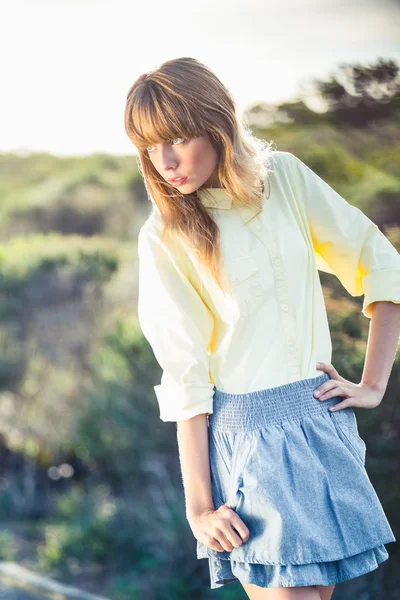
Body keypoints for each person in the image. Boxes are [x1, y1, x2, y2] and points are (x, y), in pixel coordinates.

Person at [124, 56, 400, 599]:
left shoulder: (286, 179)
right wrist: (200, 508)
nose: (166, 161)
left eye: (177, 137)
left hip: (321, 422)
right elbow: (186, 379)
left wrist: (373, 385)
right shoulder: (164, 234)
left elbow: (380, 262)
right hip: (248, 440)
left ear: (216, 122)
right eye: (150, 147)